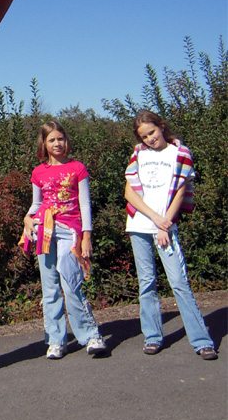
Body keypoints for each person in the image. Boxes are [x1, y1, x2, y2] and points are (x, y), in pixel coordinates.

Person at [124, 110, 217, 360]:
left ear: (161, 127)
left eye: (152, 132)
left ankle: (202, 340)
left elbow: (180, 192)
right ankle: (152, 337)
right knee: (147, 283)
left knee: (179, 282)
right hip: (140, 225)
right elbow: (129, 193)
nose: (150, 139)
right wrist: (156, 220)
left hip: (166, 227)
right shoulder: (139, 154)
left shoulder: (180, 153)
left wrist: (164, 225)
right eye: (144, 136)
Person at [20, 120, 107, 359]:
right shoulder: (38, 172)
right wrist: (27, 218)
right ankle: (56, 340)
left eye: (60, 138)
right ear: (44, 143)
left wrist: (87, 236)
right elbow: (37, 203)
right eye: (51, 140)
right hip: (44, 230)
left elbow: (85, 204)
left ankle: (91, 336)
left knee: (71, 283)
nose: (56, 143)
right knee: (50, 289)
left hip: (70, 231)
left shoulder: (77, 168)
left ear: (65, 140)